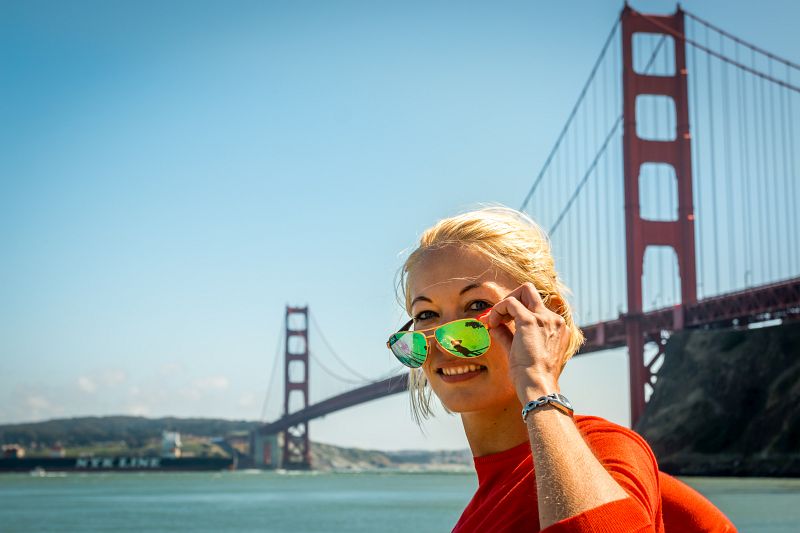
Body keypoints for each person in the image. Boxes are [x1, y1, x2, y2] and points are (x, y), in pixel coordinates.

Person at [388, 206, 736, 532]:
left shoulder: (608, 452)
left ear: (545, 315)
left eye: (478, 305)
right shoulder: (488, 502)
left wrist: (538, 386)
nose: (449, 342)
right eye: (426, 315)